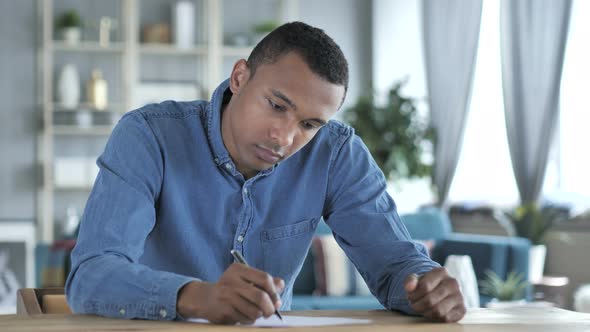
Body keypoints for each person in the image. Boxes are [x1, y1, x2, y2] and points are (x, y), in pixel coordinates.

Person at [65, 21, 465, 324]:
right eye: (276, 105)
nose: (284, 137)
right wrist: (197, 297)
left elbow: (396, 264)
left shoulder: (337, 153)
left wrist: (426, 287)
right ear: (240, 78)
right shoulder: (149, 136)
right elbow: (92, 273)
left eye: (309, 124)